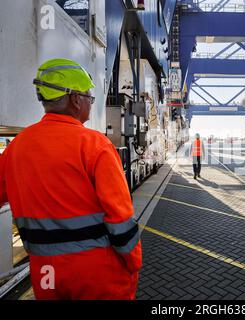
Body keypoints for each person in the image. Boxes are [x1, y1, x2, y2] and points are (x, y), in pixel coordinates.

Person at [0, 59, 142, 300]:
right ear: (76, 99)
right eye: (89, 96)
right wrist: (133, 263)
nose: (90, 102)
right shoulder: (95, 145)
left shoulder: (16, 148)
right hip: (97, 275)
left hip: (46, 275)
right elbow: (119, 218)